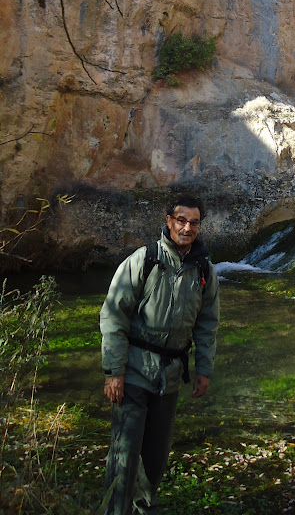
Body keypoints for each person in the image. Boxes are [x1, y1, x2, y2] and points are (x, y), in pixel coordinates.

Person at [100, 194, 219, 515]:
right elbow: (114, 315)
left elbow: (207, 325)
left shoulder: (205, 271)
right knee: (124, 456)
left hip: (169, 378)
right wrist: (114, 371)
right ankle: (115, 510)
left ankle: (141, 509)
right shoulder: (145, 259)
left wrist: (203, 370)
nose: (187, 227)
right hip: (135, 372)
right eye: (181, 220)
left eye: (194, 222)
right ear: (169, 222)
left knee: (155, 458)